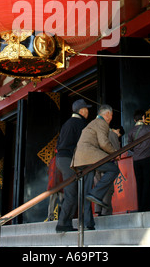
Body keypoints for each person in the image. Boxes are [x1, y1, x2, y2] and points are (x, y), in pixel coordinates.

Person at [72, 104, 120, 230]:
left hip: (80, 159)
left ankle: (89, 223)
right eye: (111, 116)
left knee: (87, 192)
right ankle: (97, 193)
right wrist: (115, 153)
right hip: (89, 156)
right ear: (107, 114)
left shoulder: (92, 123)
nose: (111, 118)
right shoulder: (101, 122)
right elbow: (104, 143)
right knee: (114, 169)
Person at [55, 98, 91, 232]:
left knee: (71, 192)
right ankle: (62, 223)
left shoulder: (67, 123)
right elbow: (83, 144)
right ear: (81, 110)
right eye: (86, 109)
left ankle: (66, 223)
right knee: (71, 194)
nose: (87, 111)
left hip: (61, 159)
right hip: (68, 159)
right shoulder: (79, 123)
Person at [128, 110, 150, 212]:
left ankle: (140, 207)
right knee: (147, 183)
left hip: (136, 160)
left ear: (134, 120)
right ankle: (146, 208)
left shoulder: (131, 131)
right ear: (144, 118)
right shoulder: (149, 128)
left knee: (139, 184)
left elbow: (130, 147)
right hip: (148, 158)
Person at [94, 125, 124, 216]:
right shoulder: (112, 135)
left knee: (98, 186)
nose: (118, 136)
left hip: (96, 164)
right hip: (108, 165)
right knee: (108, 188)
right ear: (118, 130)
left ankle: (98, 209)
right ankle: (105, 211)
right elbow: (116, 152)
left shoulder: (99, 132)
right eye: (119, 134)